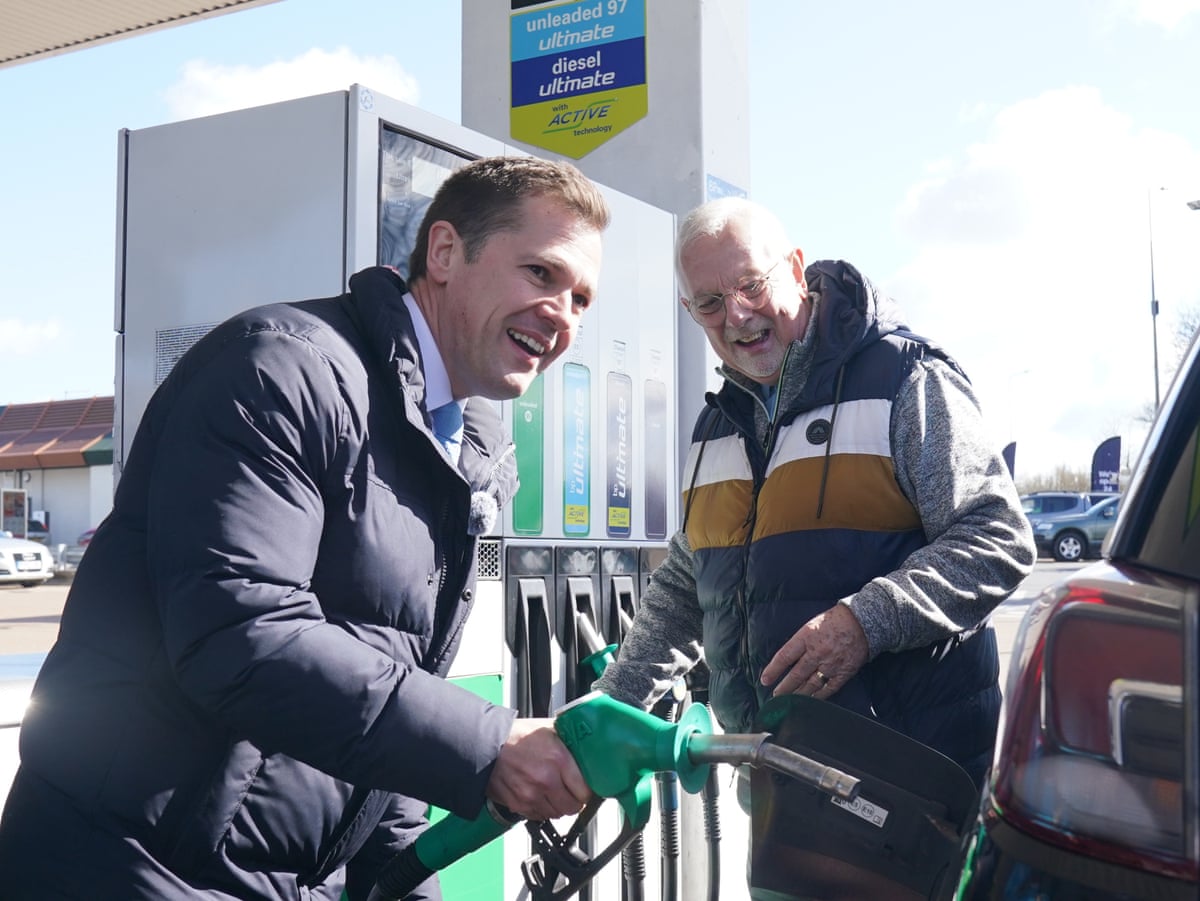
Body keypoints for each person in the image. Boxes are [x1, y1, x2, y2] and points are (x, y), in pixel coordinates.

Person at [0, 156, 610, 900]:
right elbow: (240, 634)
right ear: (445, 253)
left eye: (581, 299)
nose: (563, 315)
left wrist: (401, 879)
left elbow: (395, 681)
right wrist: (488, 745)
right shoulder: (282, 369)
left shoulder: (458, 448)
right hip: (130, 865)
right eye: (542, 274)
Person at [594, 197, 1036, 792]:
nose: (738, 315)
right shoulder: (717, 425)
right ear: (688, 310)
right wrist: (611, 705)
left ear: (797, 269)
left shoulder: (905, 379)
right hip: (779, 782)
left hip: (910, 780)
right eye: (710, 302)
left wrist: (864, 622)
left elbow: (997, 537)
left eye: (751, 284)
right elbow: (689, 578)